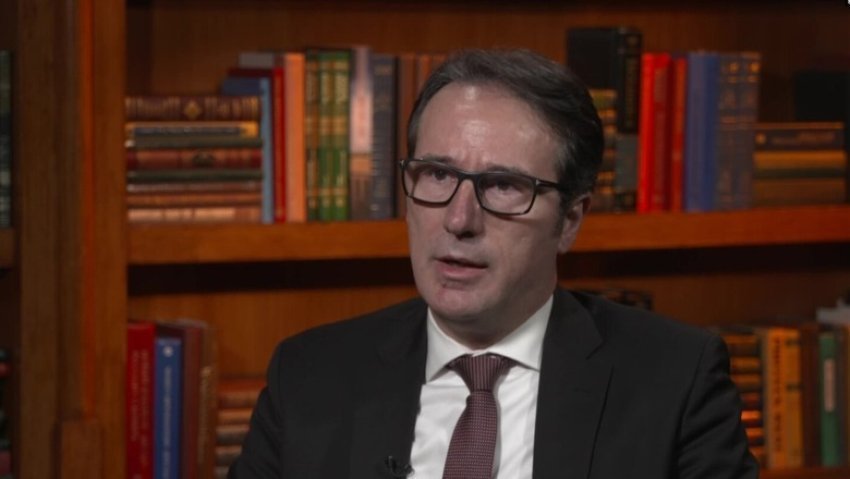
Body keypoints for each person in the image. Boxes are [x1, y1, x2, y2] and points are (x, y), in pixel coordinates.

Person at [228, 48, 757, 478]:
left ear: (570, 220)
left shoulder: (676, 380)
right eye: (437, 175)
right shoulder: (310, 374)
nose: (459, 220)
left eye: (503, 185)